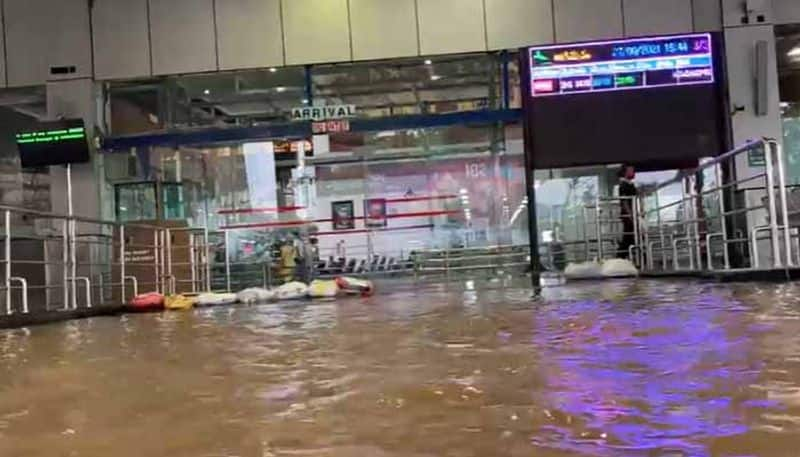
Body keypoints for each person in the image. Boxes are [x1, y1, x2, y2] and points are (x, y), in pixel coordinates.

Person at [617, 164, 637, 259]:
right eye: (631, 170)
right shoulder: (623, 185)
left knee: (630, 238)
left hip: (632, 214)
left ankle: (621, 257)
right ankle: (620, 258)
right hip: (628, 215)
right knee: (629, 237)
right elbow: (624, 201)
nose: (633, 172)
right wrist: (631, 215)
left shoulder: (629, 184)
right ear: (625, 172)